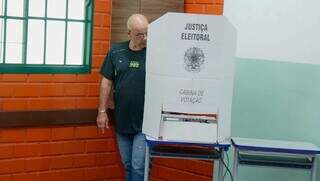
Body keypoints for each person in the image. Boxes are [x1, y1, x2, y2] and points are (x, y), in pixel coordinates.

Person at [96, 14, 148, 181]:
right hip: (122, 119)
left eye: (147, 33)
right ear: (129, 34)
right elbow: (106, 82)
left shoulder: (155, 53)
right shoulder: (116, 51)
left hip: (145, 122)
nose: (145, 38)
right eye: (140, 34)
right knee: (127, 164)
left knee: (139, 166)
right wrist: (102, 111)